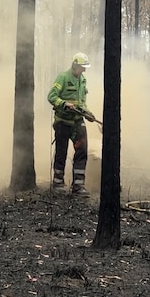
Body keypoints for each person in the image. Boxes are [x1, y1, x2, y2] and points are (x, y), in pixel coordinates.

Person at [46, 52, 96, 197]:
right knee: (61, 152)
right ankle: (57, 183)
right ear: (74, 65)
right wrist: (64, 104)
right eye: (82, 67)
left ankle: (78, 186)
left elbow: (82, 103)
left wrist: (88, 113)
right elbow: (51, 97)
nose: (84, 70)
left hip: (77, 122)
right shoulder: (63, 77)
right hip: (63, 122)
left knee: (82, 151)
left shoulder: (83, 80)